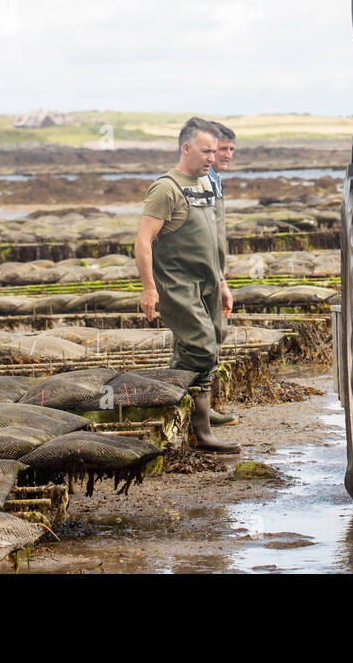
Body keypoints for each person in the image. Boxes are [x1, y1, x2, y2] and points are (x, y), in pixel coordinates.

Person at [136, 116, 239, 454]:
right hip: (178, 283)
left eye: (215, 151)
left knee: (208, 342)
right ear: (186, 148)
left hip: (208, 281)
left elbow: (211, 240)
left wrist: (222, 282)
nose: (213, 157)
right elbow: (143, 240)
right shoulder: (166, 188)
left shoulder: (206, 185)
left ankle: (168, 406)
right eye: (206, 151)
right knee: (202, 347)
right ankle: (202, 433)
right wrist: (149, 287)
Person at [205, 121, 239, 427]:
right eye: (222, 149)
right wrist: (219, 278)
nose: (227, 155)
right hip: (205, 273)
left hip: (214, 271)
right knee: (204, 339)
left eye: (230, 149)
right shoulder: (203, 183)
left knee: (215, 335)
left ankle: (205, 407)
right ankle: (201, 412)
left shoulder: (215, 181)